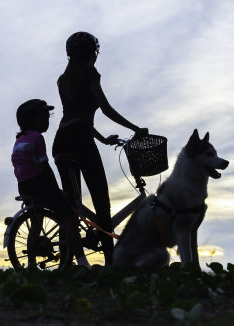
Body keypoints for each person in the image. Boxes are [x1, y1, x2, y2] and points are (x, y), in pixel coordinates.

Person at [52, 31, 148, 266]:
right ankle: (110, 263)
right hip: (81, 141)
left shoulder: (62, 80)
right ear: (91, 53)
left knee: (72, 205)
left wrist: (103, 139)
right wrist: (136, 127)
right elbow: (105, 109)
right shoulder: (89, 72)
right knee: (101, 203)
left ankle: (70, 259)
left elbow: (74, 117)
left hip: (62, 141)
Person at [11, 99, 90, 269]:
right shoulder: (37, 137)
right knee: (69, 218)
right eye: (43, 116)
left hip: (24, 186)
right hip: (40, 184)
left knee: (36, 223)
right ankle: (83, 262)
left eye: (48, 116)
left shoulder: (19, 140)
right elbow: (44, 166)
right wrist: (57, 189)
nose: (47, 120)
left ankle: (31, 263)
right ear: (31, 119)